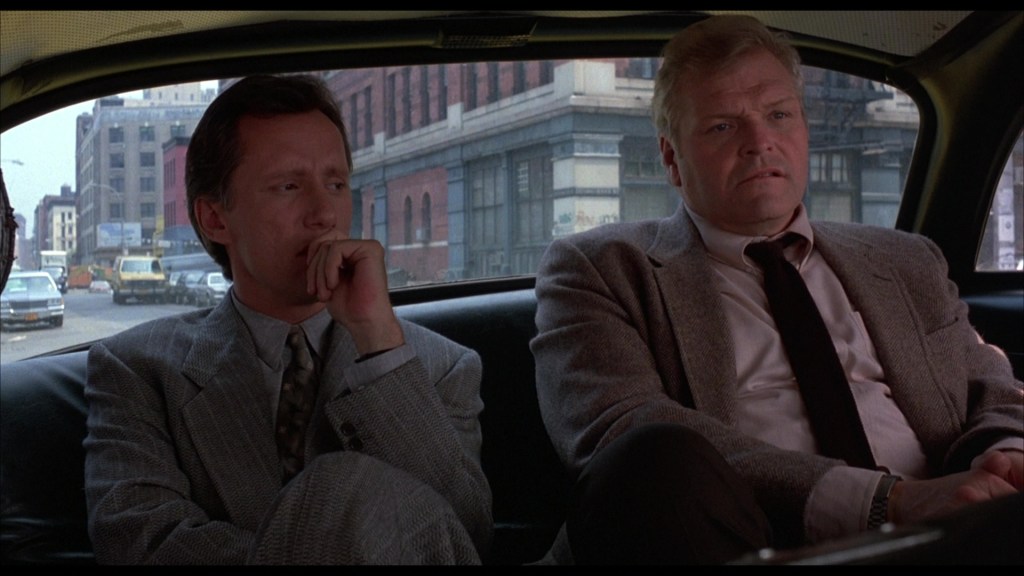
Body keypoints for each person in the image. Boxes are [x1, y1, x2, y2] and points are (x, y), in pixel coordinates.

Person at [530, 15, 1023, 565]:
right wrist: (887, 502)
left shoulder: (905, 259)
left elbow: (994, 387)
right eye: (722, 126)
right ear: (672, 159)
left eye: (779, 115)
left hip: (954, 533)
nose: (760, 141)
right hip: (748, 539)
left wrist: (1005, 457)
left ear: (804, 132)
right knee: (650, 458)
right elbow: (619, 430)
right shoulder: (601, 268)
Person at [83, 74, 492, 564]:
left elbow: (464, 540)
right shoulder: (137, 370)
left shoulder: (438, 367)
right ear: (216, 219)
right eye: (288, 186)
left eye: (336, 184)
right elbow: (141, 544)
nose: (325, 213)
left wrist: (379, 343)